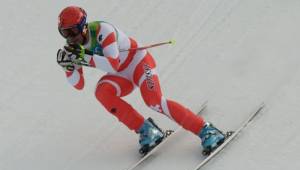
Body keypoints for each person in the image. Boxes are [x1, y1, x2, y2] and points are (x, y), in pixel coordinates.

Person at [56, 6, 225, 155]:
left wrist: (84, 57)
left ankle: (206, 130)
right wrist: (67, 68)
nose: (70, 37)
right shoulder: (74, 49)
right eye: (65, 33)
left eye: (73, 31)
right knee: (102, 92)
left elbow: (112, 63)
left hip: (139, 63)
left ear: (84, 27)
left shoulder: (103, 30)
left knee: (154, 101)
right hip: (121, 75)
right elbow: (79, 85)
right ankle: (147, 130)